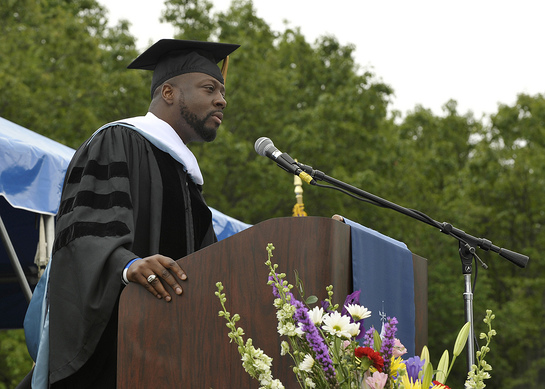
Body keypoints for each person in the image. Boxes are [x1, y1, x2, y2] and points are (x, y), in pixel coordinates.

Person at [29, 39, 239, 388]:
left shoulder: (188, 179)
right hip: (115, 351)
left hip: (172, 354)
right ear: (169, 92)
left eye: (222, 91)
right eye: (209, 88)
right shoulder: (116, 140)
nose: (222, 99)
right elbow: (83, 230)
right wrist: (125, 264)